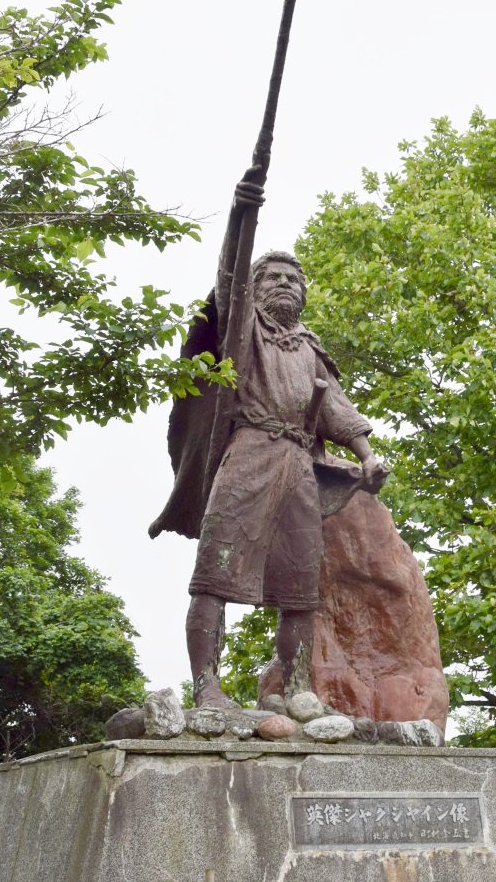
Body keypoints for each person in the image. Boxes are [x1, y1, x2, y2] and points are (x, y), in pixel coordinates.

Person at [152, 176, 388, 708]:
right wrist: (241, 216)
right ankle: (207, 686)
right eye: (273, 277)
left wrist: (369, 458)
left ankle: (297, 690)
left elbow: (337, 411)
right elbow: (229, 277)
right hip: (249, 455)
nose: (284, 284)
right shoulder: (244, 329)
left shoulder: (308, 348)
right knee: (215, 574)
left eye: (292, 278)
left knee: (301, 587)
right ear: (257, 290)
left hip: (298, 467)